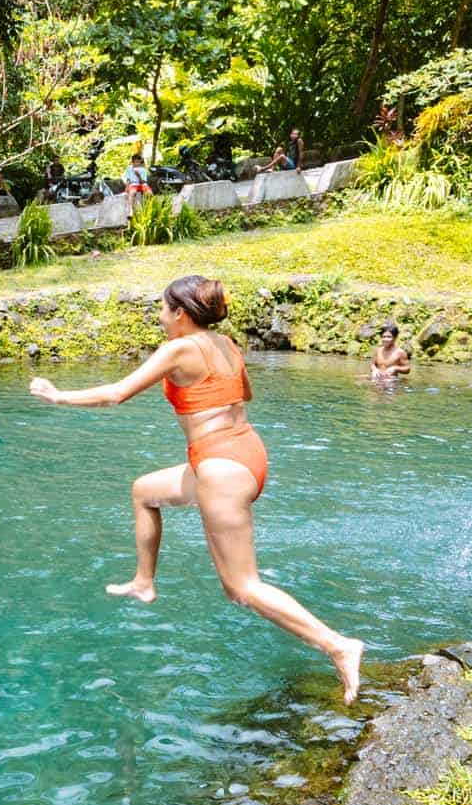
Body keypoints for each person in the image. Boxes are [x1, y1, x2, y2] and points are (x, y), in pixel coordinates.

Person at [29, 276, 366, 699]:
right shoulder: (226, 344)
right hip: (242, 453)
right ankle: (143, 582)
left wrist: (58, 397)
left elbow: (117, 394)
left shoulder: (179, 348)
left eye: (162, 308)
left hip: (221, 467)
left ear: (180, 313)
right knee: (144, 491)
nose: (159, 316)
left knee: (242, 587)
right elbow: (244, 393)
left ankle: (339, 646)